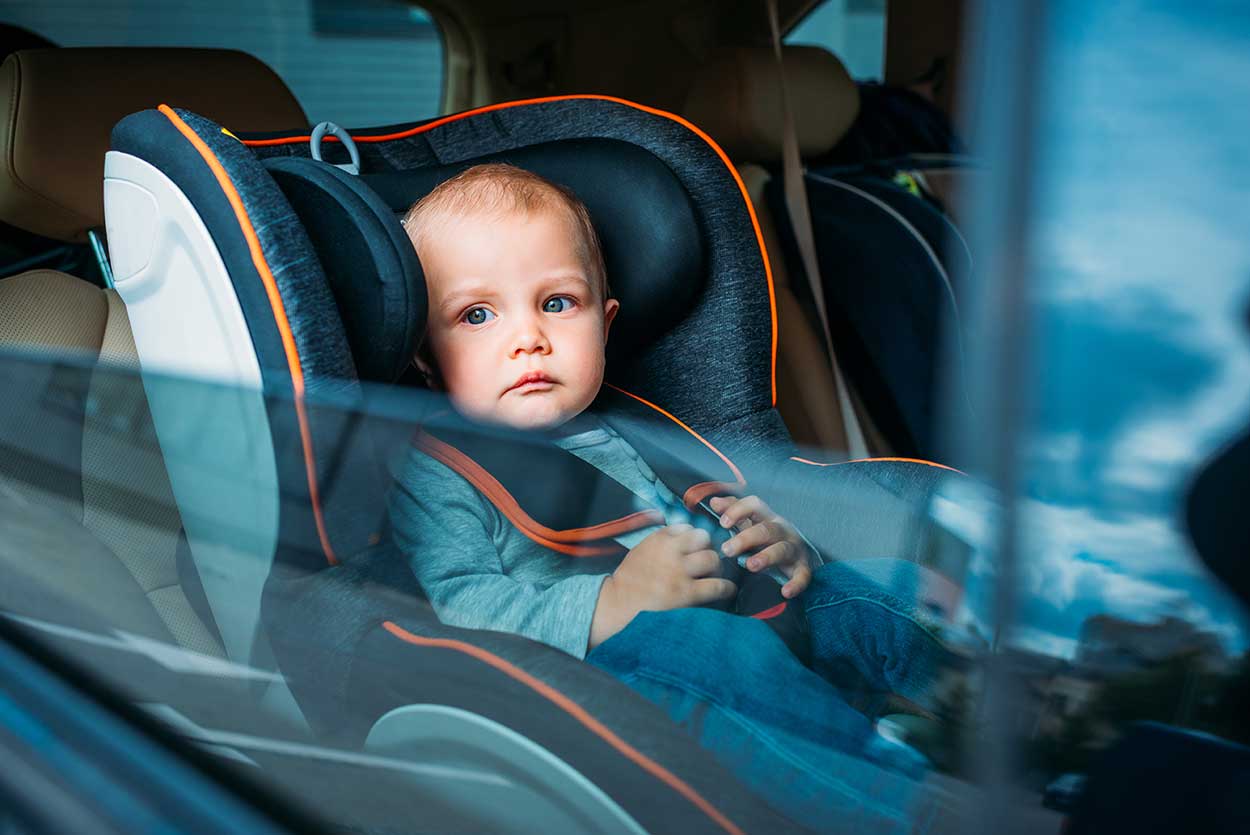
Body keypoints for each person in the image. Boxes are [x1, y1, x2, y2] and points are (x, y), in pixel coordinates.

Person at [388, 163, 952, 831]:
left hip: (749, 622)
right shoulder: (437, 469)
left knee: (880, 590)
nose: (528, 337)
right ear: (427, 355)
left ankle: (1019, 728)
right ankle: (907, 809)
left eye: (558, 302)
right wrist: (611, 602)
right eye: (477, 314)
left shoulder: (631, 427)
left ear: (605, 319)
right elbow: (461, 610)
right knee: (704, 650)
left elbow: (699, 524)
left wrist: (778, 545)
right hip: (618, 676)